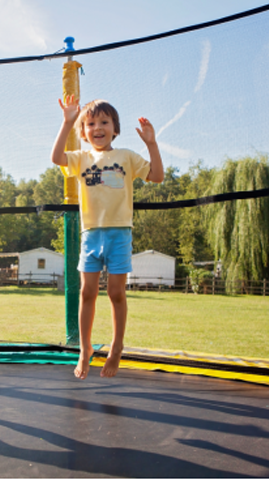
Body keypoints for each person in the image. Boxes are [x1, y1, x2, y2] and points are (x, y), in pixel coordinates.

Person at [51, 95, 164, 379]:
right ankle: (84, 348)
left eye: (104, 122)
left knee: (115, 293)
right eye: (90, 123)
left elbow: (158, 176)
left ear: (115, 128)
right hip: (90, 235)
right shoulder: (81, 158)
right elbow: (56, 158)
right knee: (87, 292)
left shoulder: (126, 156)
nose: (97, 127)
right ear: (83, 131)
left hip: (119, 234)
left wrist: (151, 143)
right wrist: (67, 122)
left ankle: (116, 348)